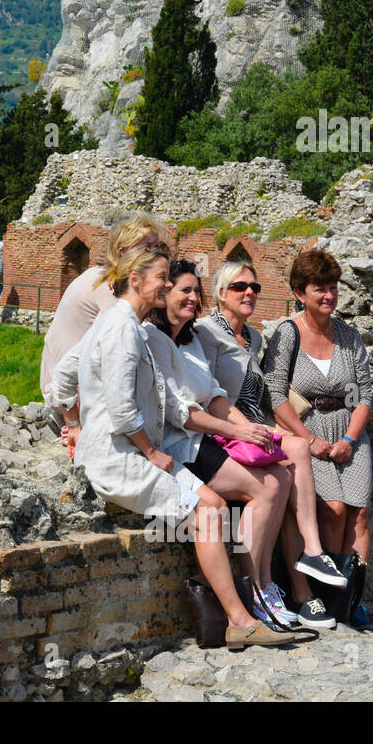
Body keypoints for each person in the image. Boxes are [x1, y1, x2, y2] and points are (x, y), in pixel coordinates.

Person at [54, 245, 294, 649]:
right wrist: (85, 429)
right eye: (163, 278)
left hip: (140, 448)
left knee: (216, 506)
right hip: (120, 458)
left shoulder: (129, 324)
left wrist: (76, 422)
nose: (168, 285)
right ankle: (239, 617)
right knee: (208, 511)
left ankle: (242, 613)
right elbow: (119, 407)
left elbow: (64, 378)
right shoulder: (124, 328)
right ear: (136, 280)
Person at [194, 260, 348, 629]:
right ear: (219, 294)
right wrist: (247, 429)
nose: (249, 292)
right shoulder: (206, 332)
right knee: (289, 462)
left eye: (254, 287)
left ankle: (303, 562)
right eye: (238, 287)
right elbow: (206, 395)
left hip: (252, 432)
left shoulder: (256, 337)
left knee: (293, 457)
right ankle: (272, 582)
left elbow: (265, 395)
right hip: (223, 435)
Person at [145, 259, 295, 631]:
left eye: (196, 290)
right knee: (266, 487)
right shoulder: (153, 338)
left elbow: (213, 396)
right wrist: (239, 433)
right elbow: (180, 412)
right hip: (178, 446)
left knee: (281, 475)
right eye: (185, 290)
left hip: (203, 438)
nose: (193, 297)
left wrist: (250, 429)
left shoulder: (191, 338)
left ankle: (264, 584)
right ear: (164, 295)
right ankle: (255, 589)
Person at [262, 249, 373, 622]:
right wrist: (310, 440)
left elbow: (362, 396)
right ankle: (322, 594)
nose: (328, 296)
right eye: (319, 289)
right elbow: (275, 395)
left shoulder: (348, 336)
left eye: (332, 288)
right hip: (305, 430)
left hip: (348, 432)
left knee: (357, 515)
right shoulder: (287, 333)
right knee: (333, 510)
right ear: (299, 292)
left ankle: (349, 600)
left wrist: (350, 440)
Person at [42, 211, 164, 451]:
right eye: (146, 248)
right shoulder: (108, 287)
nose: (155, 254)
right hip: (64, 390)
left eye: (156, 247)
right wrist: (75, 422)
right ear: (122, 253)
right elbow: (116, 345)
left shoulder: (105, 279)